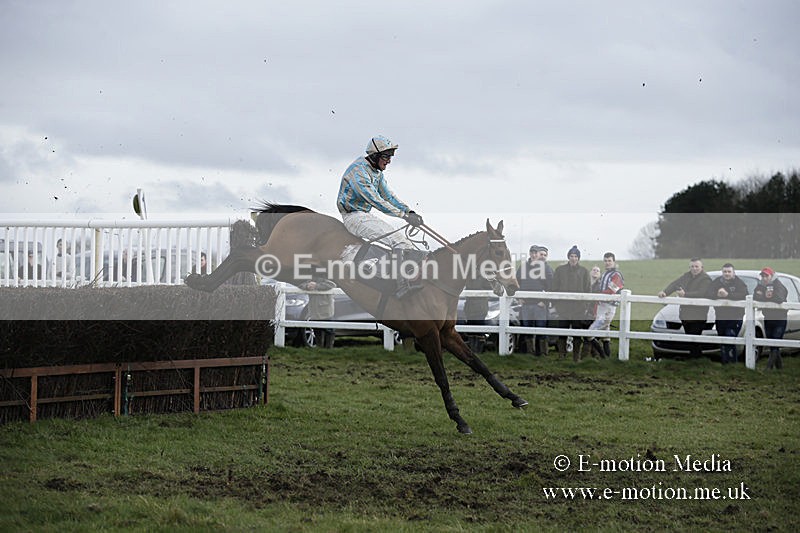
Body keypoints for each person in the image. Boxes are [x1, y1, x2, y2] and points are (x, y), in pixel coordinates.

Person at [337, 135, 426, 298]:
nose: (389, 161)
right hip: (353, 217)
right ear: (375, 156)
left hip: (364, 215)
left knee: (407, 245)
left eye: (390, 157)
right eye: (386, 157)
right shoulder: (358, 171)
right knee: (399, 242)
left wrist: (409, 211)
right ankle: (401, 287)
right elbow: (375, 200)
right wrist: (403, 216)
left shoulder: (376, 172)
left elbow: (388, 196)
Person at [658, 258, 712, 358]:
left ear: (702, 267)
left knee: (695, 338)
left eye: (696, 266)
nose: (694, 268)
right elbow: (675, 284)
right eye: (692, 266)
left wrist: (685, 294)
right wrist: (665, 292)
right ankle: (694, 360)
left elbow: (702, 292)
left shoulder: (706, 279)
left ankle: (696, 360)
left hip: (698, 314)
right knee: (689, 337)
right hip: (685, 313)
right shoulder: (686, 276)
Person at [551, 245, 591, 361]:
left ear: (578, 258)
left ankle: (576, 358)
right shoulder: (560, 270)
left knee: (577, 334)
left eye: (575, 256)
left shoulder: (584, 271)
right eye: (571, 256)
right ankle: (562, 356)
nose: (573, 258)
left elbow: (588, 289)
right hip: (563, 308)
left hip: (578, 309)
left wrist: (585, 306)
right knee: (562, 332)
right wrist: (557, 304)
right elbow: (555, 287)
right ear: (568, 257)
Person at [705, 263, 748, 364]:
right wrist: (717, 294)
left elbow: (744, 295)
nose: (727, 274)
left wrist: (728, 295)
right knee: (722, 340)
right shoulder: (717, 282)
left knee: (730, 337)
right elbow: (708, 293)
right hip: (720, 316)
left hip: (735, 317)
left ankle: (733, 363)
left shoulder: (739, 283)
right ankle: (725, 364)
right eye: (725, 272)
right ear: (722, 272)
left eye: (729, 272)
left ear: (733, 272)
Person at [516, 245, 553, 355]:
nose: (533, 255)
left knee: (541, 329)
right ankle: (530, 353)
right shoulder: (523, 267)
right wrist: (519, 298)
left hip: (539, 304)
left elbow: (550, 286)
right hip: (526, 304)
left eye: (536, 253)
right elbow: (516, 283)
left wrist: (545, 301)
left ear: (538, 254)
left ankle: (543, 353)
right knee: (527, 329)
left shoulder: (545, 268)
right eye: (532, 252)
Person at [586, 253, 624, 358]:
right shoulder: (604, 274)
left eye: (609, 261)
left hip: (609, 307)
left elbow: (612, 290)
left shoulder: (616, 275)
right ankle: (608, 358)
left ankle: (602, 356)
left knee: (590, 333)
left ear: (614, 262)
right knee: (606, 335)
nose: (607, 263)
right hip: (601, 306)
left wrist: (598, 296)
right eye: (605, 261)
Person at [753, 267, 788, 370]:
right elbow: (755, 296)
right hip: (767, 317)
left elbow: (779, 298)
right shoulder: (760, 285)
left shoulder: (779, 285)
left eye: (766, 275)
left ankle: (768, 368)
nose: (764, 278)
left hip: (780, 318)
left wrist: (763, 297)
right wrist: (766, 297)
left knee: (775, 342)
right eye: (762, 276)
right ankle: (780, 368)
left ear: (771, 276)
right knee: (772, 343)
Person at [298, 278, 337, 349]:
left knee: (329, 330)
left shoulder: (328, 277)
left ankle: (329, 348)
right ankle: (319, 348)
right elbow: (301, 285)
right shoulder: (310, 278)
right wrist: (307, 286)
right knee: (317, 329)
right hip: (314, 311)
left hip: (326, 310)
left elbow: (332, 284)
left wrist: (316, 286)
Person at [463, 277, 491, 353]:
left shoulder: (484, 277)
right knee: (470, 330)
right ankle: (472, 350)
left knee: (479, 329)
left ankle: (479, 350)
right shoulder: (467, 277)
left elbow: (489, 287)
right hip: (470, 307)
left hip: (480, 308)